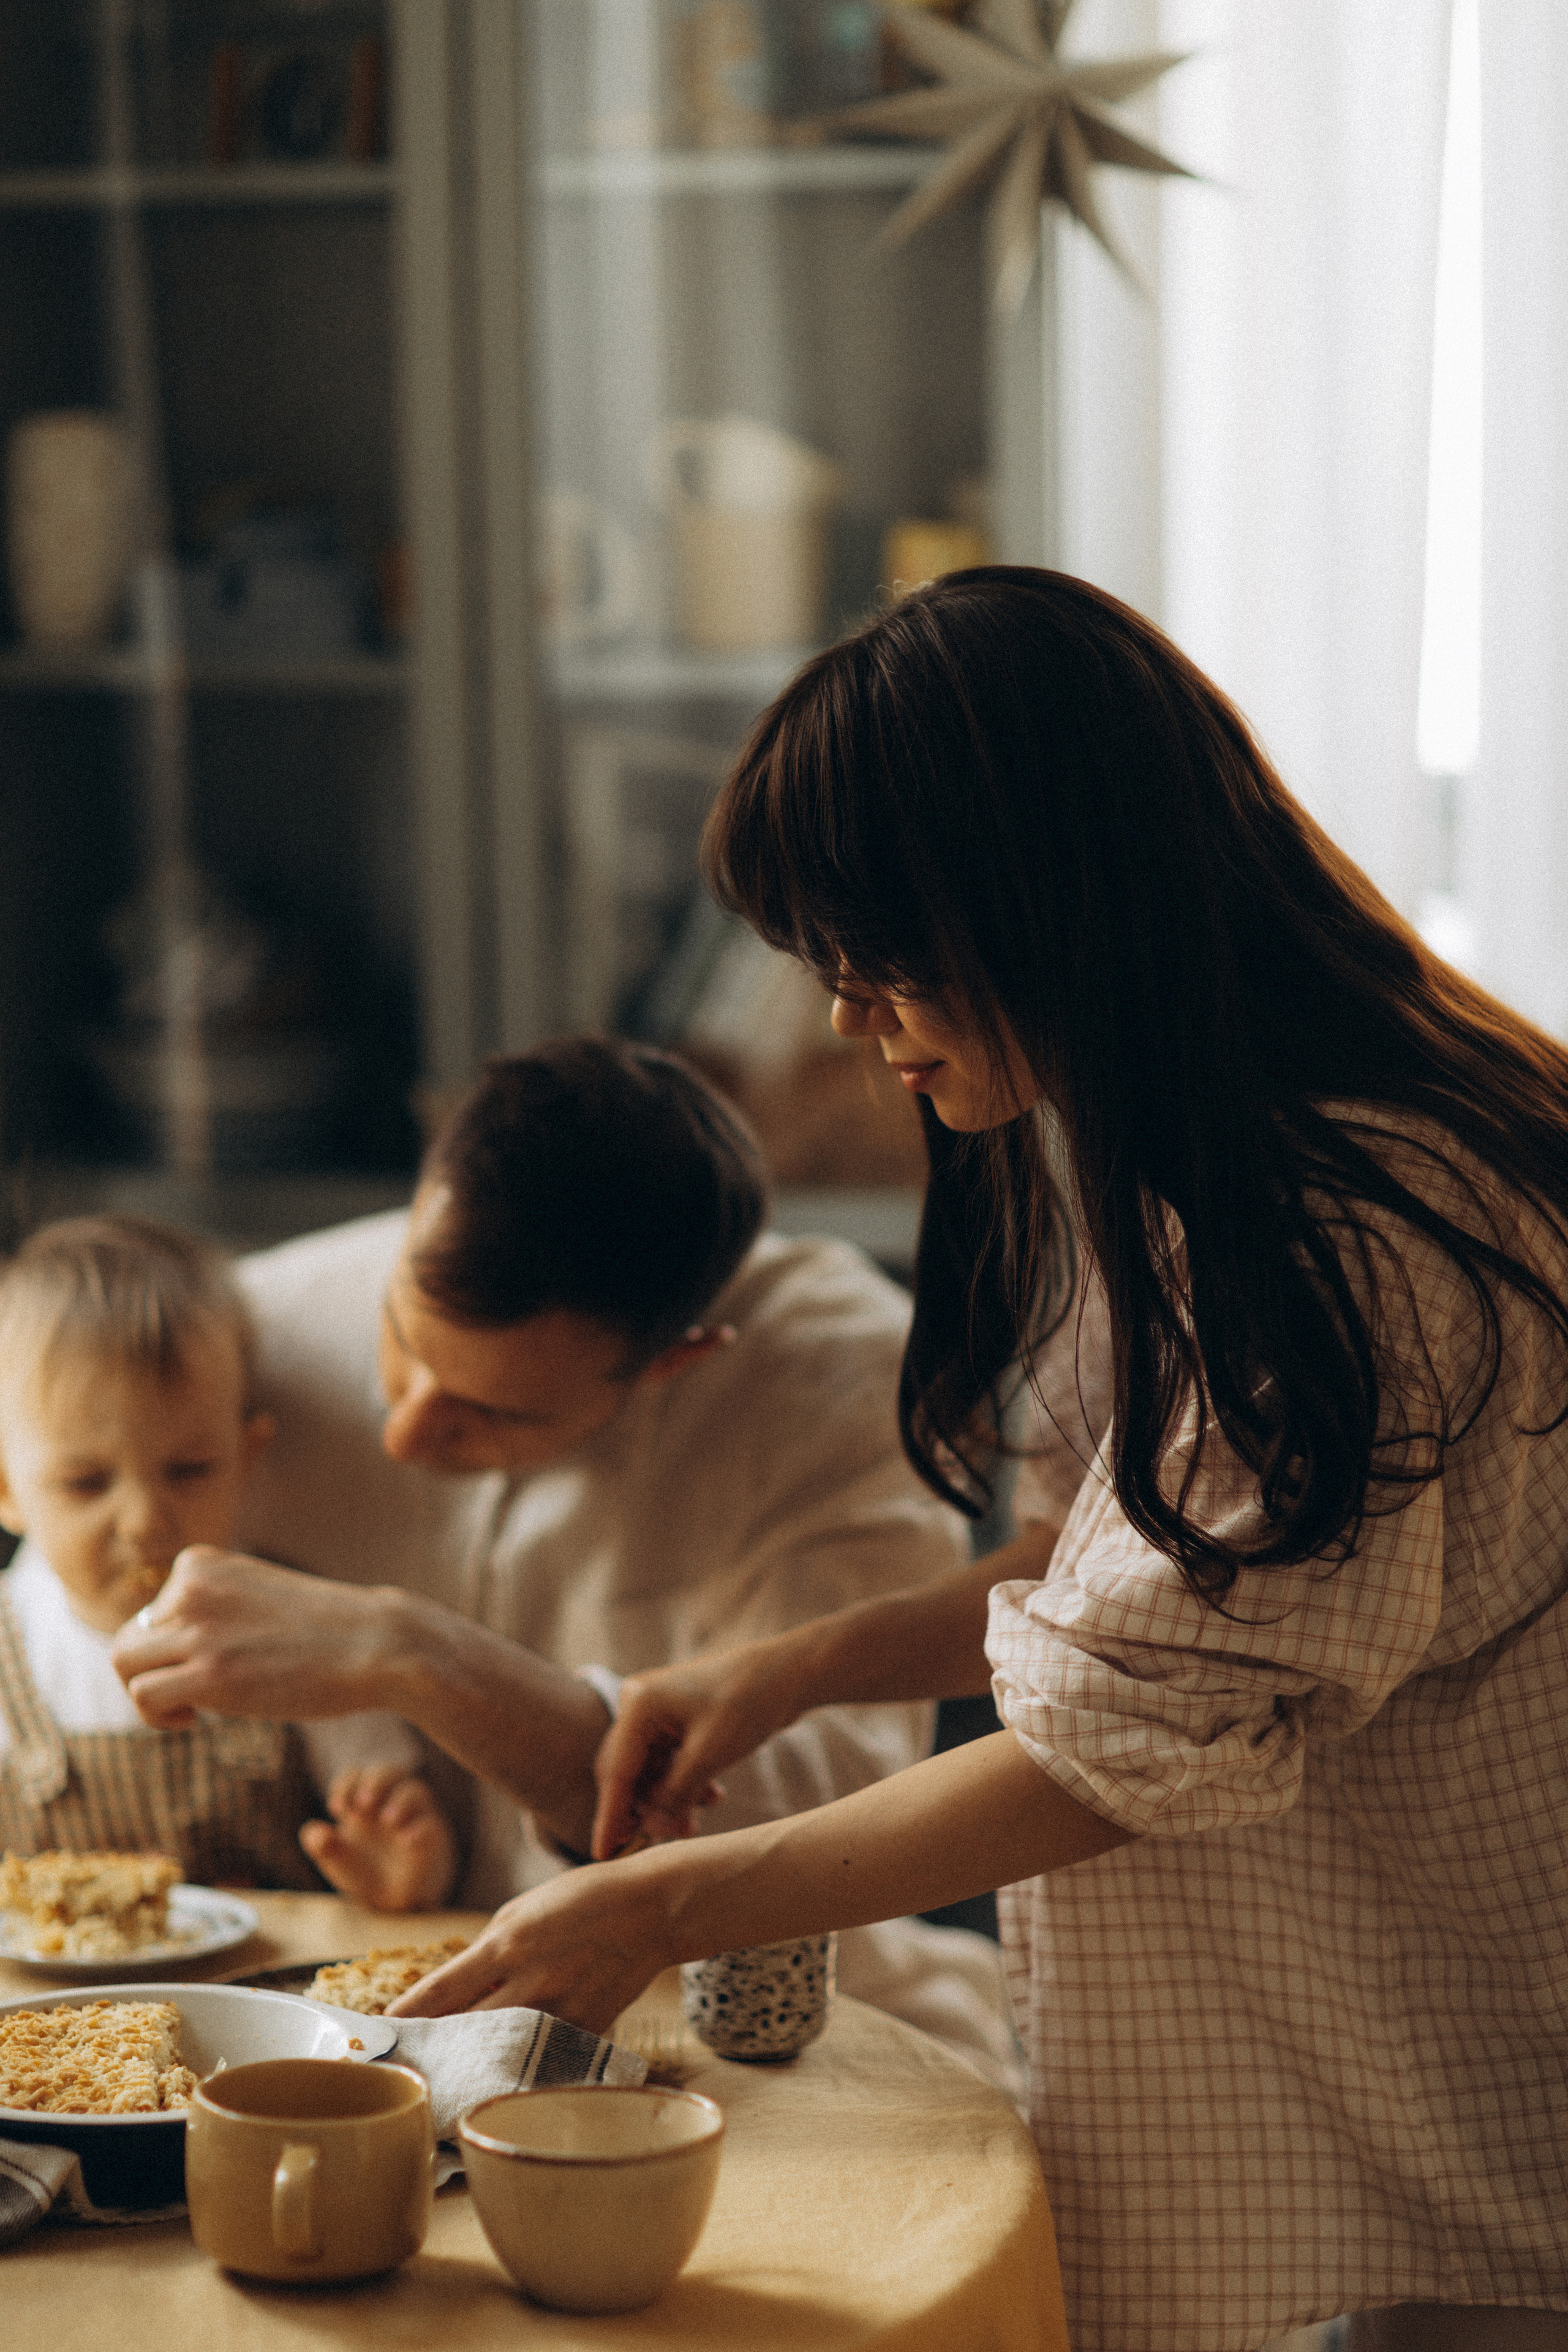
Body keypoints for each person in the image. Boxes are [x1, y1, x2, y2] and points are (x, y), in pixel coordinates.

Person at [389, 572, 1568, 2352]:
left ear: (1050, 909)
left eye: (880, 958)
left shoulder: (1354, 1249)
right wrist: (779, 1667)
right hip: (1324, 2063)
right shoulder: (1158, 1156)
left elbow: (1117, 1745)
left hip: (1452, 2094)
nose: (851, 1020)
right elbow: (1106, 1578)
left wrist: (658, 1895)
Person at [110, 1040, 1021, 2092]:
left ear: (680, 1357)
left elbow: (827, 1822)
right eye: (404, 1341)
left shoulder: (845, 1385)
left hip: (773, 2033)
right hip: (363, 2006)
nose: (407, 1434)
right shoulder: (257, 1322)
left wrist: (418, 1658)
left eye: (492, 1413)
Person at [0, 1214, 456, 1908]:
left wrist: (405, 1873)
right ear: (7, 1488)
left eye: (188, 1470)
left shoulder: (298, 1624)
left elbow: (400, 1832)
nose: (145, 1522)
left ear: (247, 1460)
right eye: (86, 1483)